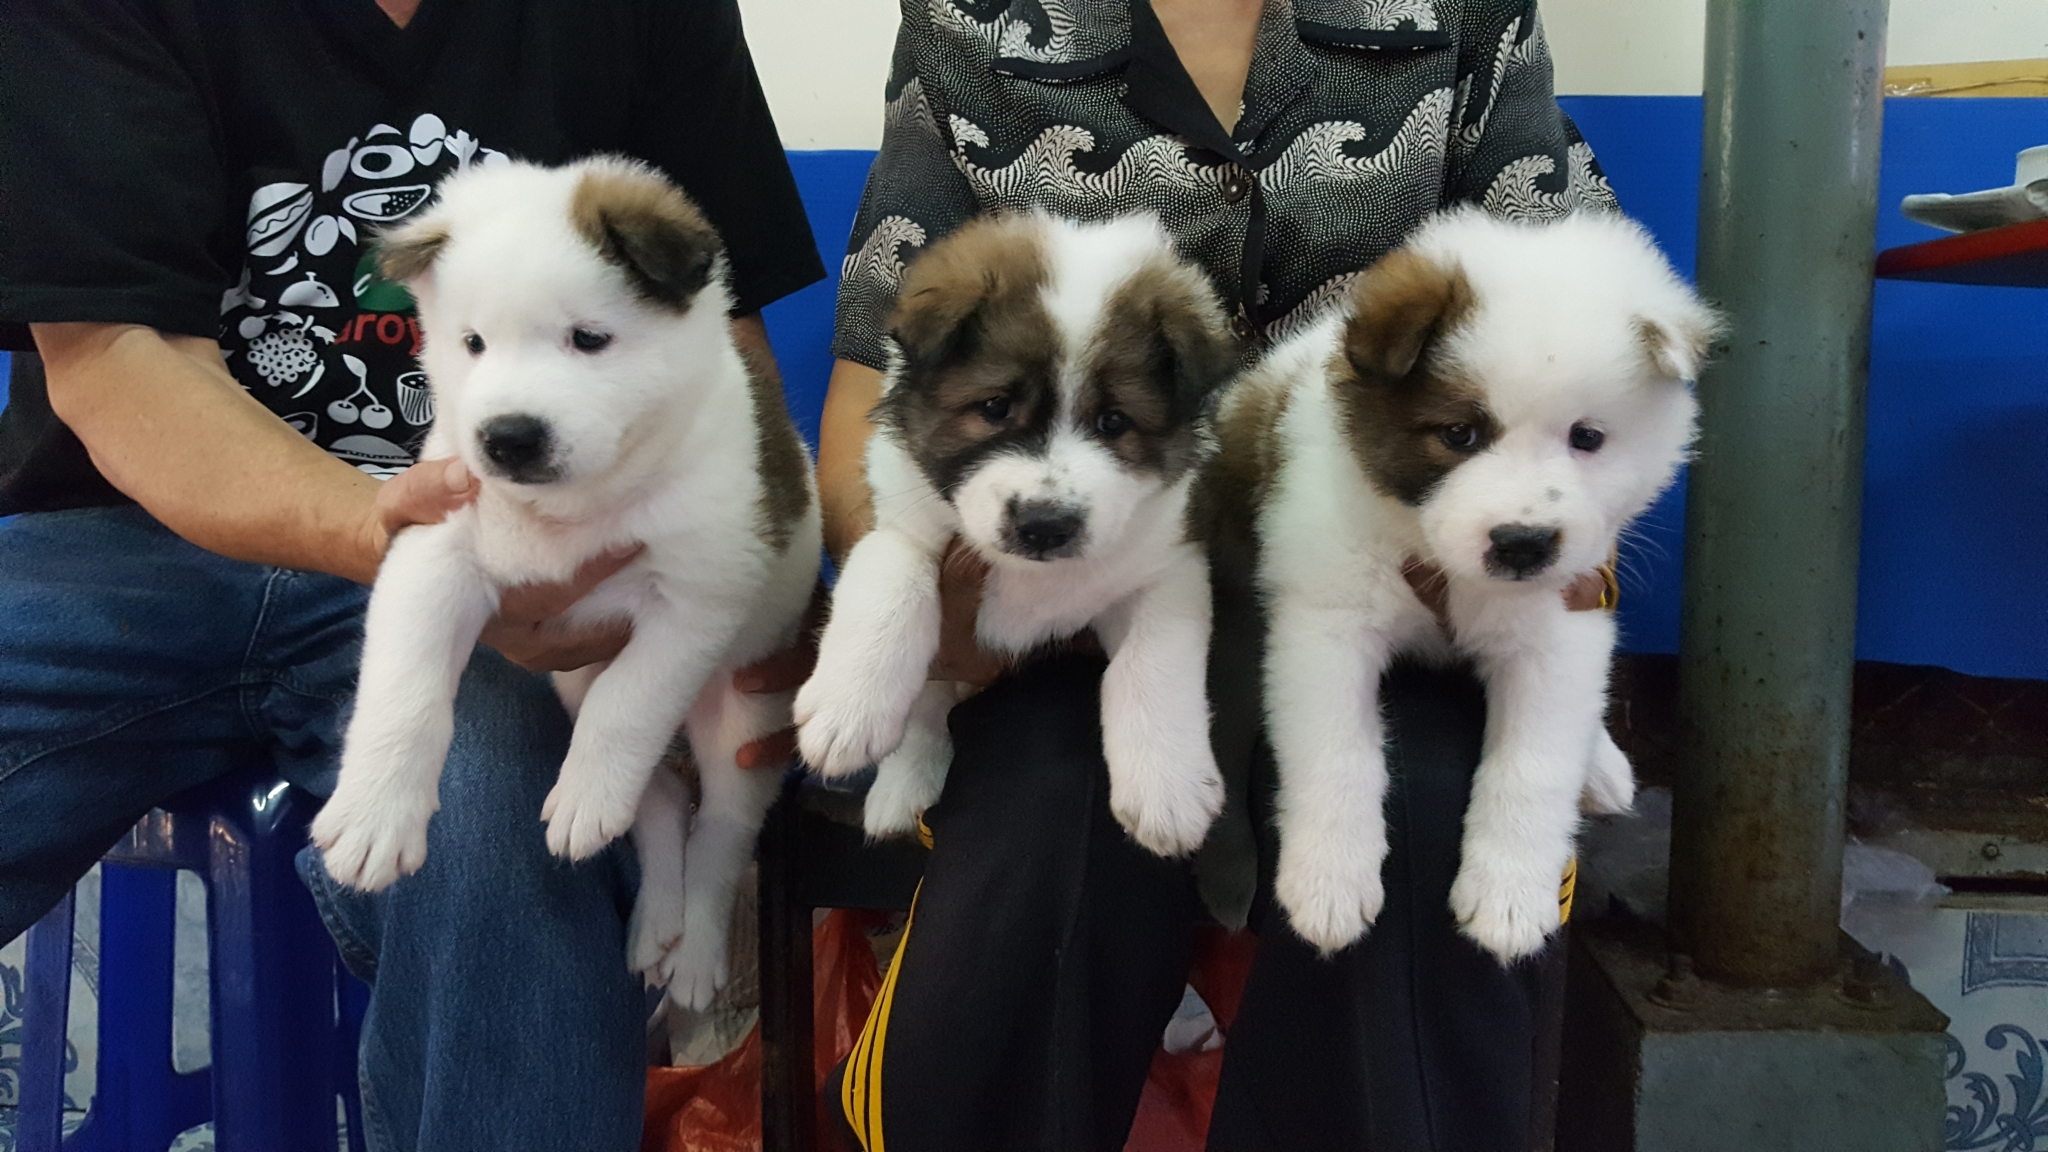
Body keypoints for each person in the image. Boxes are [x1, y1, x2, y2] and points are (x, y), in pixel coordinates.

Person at [0, 2, 823, 1149]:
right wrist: (382, 526)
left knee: (519, 823)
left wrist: (741, 588)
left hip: (524, 554)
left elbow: (708, 337)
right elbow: (110, 356)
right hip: (124, 537)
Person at [818, 0, 1616, 1149]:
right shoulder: (973, 23)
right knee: (1051, 817)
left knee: (1422, 811)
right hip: (1073, 622)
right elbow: (871, 397)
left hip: (1391, 598)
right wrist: (932, 605)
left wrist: (1554, 553)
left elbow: (1582, 337)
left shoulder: (1458, 15)